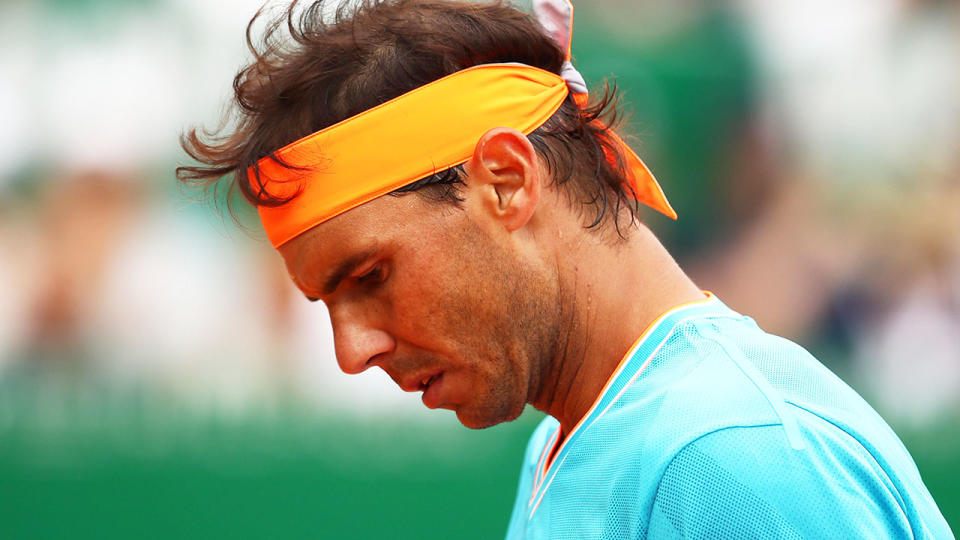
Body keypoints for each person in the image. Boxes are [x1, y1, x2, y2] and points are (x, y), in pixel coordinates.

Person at [177, 0, 953, 537]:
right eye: (327, 303)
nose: (352, 353)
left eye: (370, 275)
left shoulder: (726, 454)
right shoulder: (580, 436)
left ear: (508, 182)